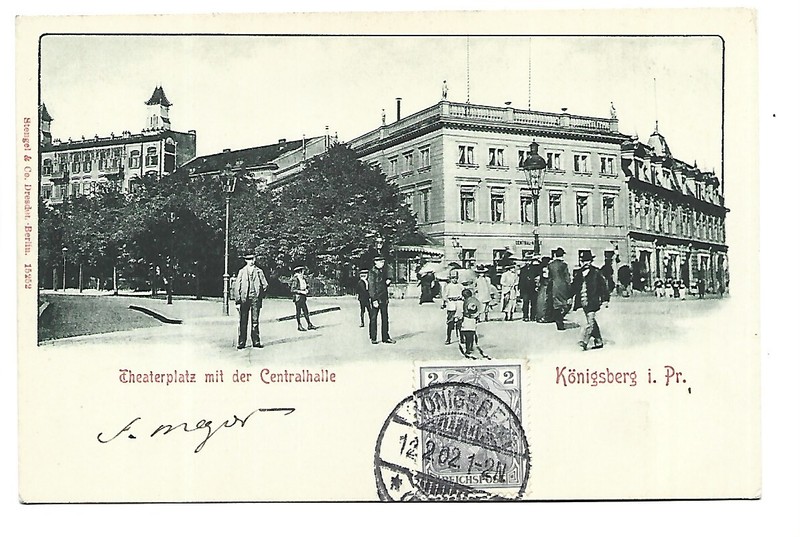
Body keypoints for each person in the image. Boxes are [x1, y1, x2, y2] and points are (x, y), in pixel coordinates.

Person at [572, 250, 610, 351]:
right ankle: (598, 340)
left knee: (589, 323)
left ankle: (583, 342)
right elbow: (574, 287)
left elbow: (604, 286)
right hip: (581, 301)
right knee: (590, 321)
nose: (586, 263)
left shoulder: (596, 272)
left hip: (592, 301)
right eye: (584, 261)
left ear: (591, 261)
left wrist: (605, 299)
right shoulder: (579, 273)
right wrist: (569, 297)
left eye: (588, 260)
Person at [232, 253, 269, 349]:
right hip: (244, 299)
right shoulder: (242, 271)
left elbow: (265, 285)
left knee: (255, 321)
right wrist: (237, 301)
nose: (251, 261)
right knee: (243, 321)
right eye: (249, 259)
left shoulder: (259, 271)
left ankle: (256, 341)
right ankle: (241, 342)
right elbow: (237, 287)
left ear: (255, 259)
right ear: (246, 261)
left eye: (252, 259)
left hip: (255, 299)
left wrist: (260, 296)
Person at [368, 255, 395, 344]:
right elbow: (371, 287)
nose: (382, 264)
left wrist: (388, 281)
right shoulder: (372, 272)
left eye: (383, 262)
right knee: (373, 318)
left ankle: (385, 337)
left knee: (385, 318)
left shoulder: (383, 272)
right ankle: (373, 337)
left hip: (384, 298)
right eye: (380, 262)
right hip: (376, 298)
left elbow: (384, 283)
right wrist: (374, 299)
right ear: (375, 262)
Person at [548, 247, 572, 331]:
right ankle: (561, 317)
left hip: (554, 286)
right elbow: (567, 277)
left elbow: (549, 277)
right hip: (563, 286)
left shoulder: (550, 265)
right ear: (562, 255)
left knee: (556, 305)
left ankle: (559, 323)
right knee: (566, 304)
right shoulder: (564, 265)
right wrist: (569, 287)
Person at [290, 265, 317, 331]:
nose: (303, 273)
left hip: (303, 297)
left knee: (305, 311)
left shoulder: (303, 279)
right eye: (302, 272)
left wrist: (307, 289)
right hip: (298, 297)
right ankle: (299, 325)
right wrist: (301, 292)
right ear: (299, 272)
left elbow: (306, 285)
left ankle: (309, 324)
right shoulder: (296, 279)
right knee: (298, 312)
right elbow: (293, 290)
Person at [442, 269, 464, 344]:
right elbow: (444, 296)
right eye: (453, 278)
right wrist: (447, 300)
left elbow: (464, 294)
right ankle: (448, 338)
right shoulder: (448, 286)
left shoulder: (460, 286)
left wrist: (460, 298)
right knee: (450, 322)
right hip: (451, 305)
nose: (454, 279)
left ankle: (462, 337)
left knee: (460, 322)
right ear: (450, 278)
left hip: (459, 304)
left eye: (455, 278)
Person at [518, 253, 539, 322]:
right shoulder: (523, 269)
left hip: (533, 288)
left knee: (534, 303)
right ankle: (525, 316)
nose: (528, 262)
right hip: (525, 289)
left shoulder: (535, 268)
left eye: (529, 260)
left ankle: (533, 316)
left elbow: (538, 277)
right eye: (526, 260)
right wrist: (520, 289)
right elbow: (520, 280)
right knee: (525, 303)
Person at [460, 289, 480, 357]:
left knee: (467, 334)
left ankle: (468, 348)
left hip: (467, 319)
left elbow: (465, 311)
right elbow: (479, 309)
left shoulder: (467, 301)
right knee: (471, 334)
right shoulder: (475, 300)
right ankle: (470, 347)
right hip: (473, 319)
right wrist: (476, 316)